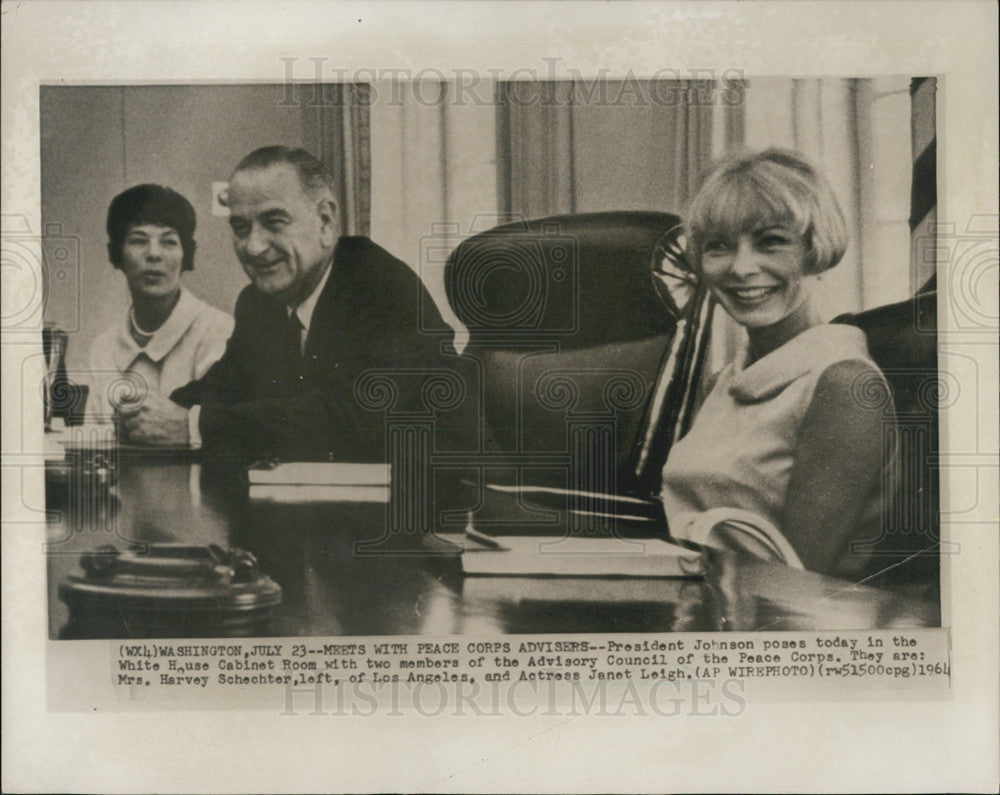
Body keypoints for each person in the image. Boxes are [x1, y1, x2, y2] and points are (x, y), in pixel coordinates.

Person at [661, 148, 895, 579]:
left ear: (812, 248)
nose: (741, 268)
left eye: (771, 242)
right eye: (718, 247)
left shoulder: (844, 384)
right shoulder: (723, 382)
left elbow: (797, 581)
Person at [157, 145, 457, 462]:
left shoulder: (382, 287)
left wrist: (192, 424)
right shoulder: (258, 303)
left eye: (274, 223)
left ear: (325, 222)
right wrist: (158, 412)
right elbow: (225, 386)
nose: (254, 247)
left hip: (437, 495)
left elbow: (346, 419)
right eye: (241, 228)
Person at [88, 184, 234, 443]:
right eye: (138, 240)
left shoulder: (219, 331)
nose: (154, 254)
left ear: (185, 254)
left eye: (168, 241)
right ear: (118, 254)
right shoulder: (104, 348)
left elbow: (227, 435)